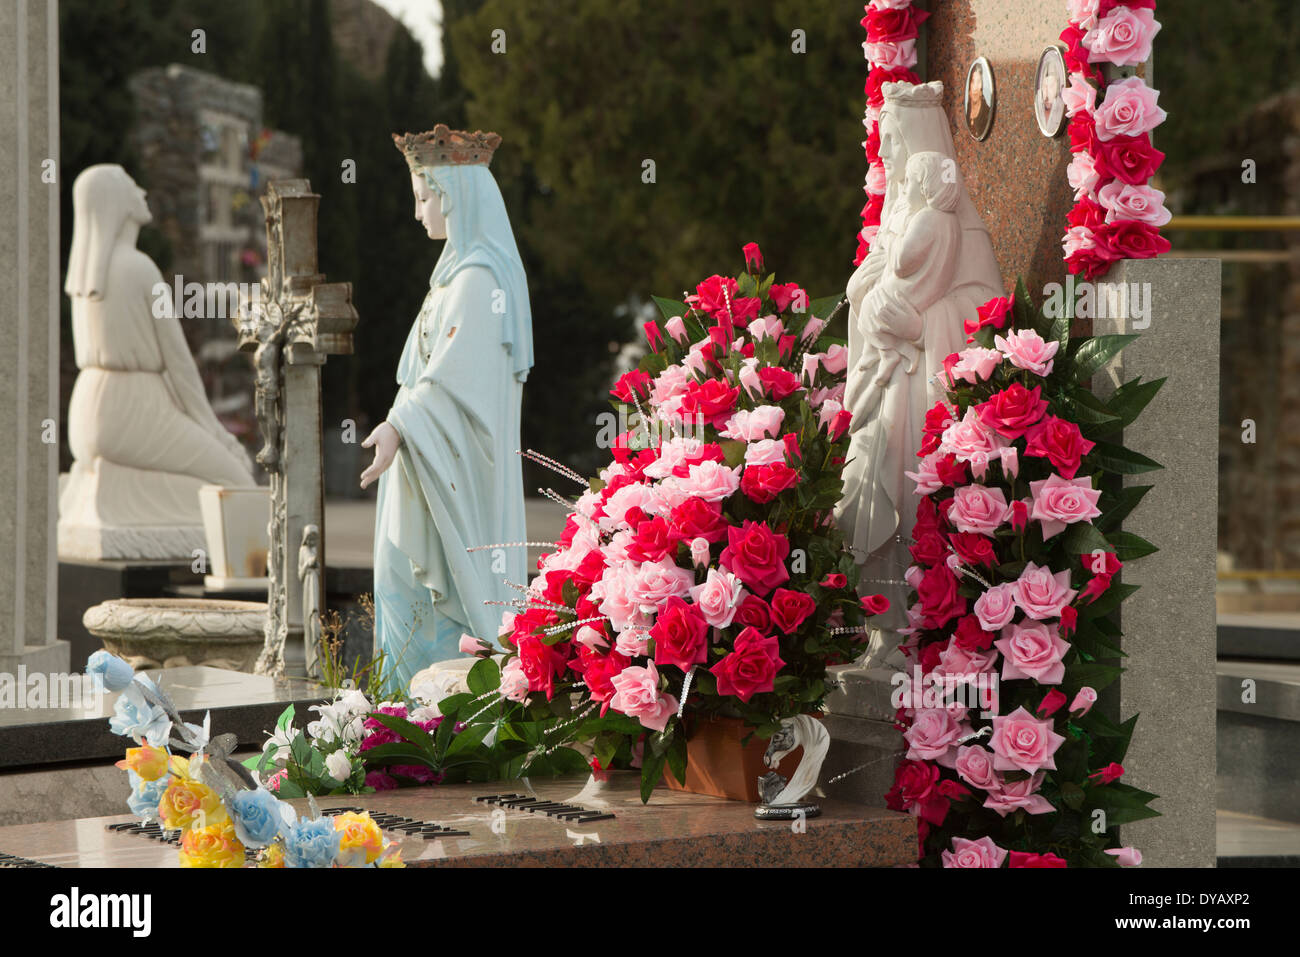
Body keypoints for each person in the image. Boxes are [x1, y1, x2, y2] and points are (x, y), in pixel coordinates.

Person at [362, 126, 533, 688]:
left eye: (423, 198)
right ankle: (400, 724)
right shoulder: (451, 283)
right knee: (396, 582)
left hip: (453, 474)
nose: (418, 214)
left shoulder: (480, 283)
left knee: (414, 591)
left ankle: (429, 727)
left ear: (454, 196)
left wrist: (397, 424)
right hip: (422, 464)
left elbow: (455, 387)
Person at [966, 63, 991, 138]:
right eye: (973, 82)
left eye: (979, 82)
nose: (975, 87)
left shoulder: (987, 113)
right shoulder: (967, 111)